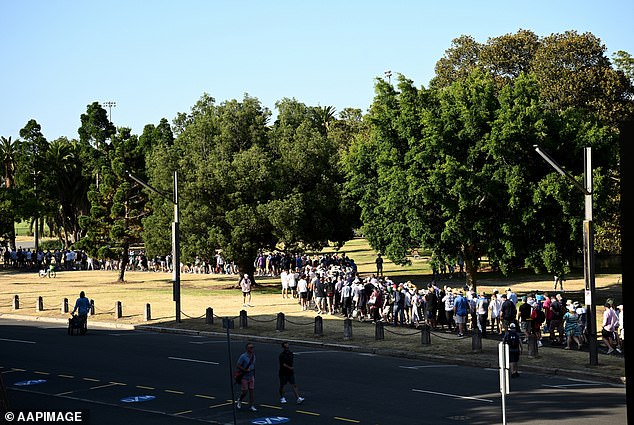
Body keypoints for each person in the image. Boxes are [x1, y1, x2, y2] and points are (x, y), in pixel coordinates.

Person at [236, 342, 257, 411]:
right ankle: (240, 400)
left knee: (252, 391)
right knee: (245, 391)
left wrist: (254, 374)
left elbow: (253, 366)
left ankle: (251, 405)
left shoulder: (253, 356)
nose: (252, 349)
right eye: (250, 347)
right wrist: (245, 369)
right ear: (247, 348)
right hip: (244, 376)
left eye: (252, 347)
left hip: (251, 376)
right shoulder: (243, 356)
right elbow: (238, 365)